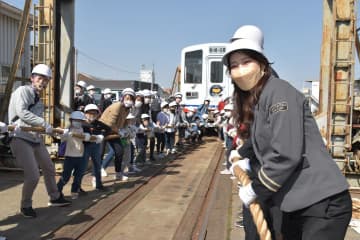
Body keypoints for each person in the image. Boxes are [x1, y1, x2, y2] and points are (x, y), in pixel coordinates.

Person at [224, 25, 352, 239]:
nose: (241, 70)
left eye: (246, 62)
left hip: (321, 203)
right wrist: (244, 158)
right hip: (296, 204)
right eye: (234, 66)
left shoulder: (279, 93)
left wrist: (256, 188)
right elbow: (264, 141)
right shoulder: (261, 99)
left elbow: (286, 153)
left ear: (262, 64)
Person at [8, 63, 71, 218]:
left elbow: (36, 123)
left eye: (46, 80)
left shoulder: (40, 101)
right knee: (33, 175)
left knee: (49, 168)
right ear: (32, 78)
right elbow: (22, 112)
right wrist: (44, 124)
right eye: (40, 78)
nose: (43, 82)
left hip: (35, 138)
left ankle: (55, 197)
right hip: (20, 137)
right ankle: (26, 205)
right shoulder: (23, 91)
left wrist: (55, 131)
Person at [98, 87, 135, 180]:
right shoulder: (117, 106)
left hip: (114, 131)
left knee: (119, 151)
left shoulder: (127, 109)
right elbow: (110, 123)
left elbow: (123, 121)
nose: (129, 100)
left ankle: (118, 173)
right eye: (127, 98)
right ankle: (98, 173)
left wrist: (125, 129)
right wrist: (119, 131)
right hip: (103, 130)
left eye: (130, 99)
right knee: (100, 153)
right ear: (122, 98)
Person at [57, 111, 91, 199]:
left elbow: (87, 138)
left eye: (80, 120)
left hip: (80, 156)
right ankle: (57, 191)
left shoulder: (83, 129)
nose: (78, 122)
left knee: (78, 175)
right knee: (66, 176)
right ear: (71, 120)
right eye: (76, 120)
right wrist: (62, 133)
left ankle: (74, 191)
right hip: (70, 156)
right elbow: (61, 138)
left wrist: (87, 136)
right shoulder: (67, 130)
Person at [81, 104, 106, 190]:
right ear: (85, 113)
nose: (92, 115)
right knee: (83, 166)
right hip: (85, 146)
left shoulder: (98, 124)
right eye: (89, 113)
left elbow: (108, 129)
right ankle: (77, 187)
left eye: (94, 113)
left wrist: (102, 135)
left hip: (95, 146)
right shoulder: (81, 123)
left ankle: (98, 184)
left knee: (97, 164)